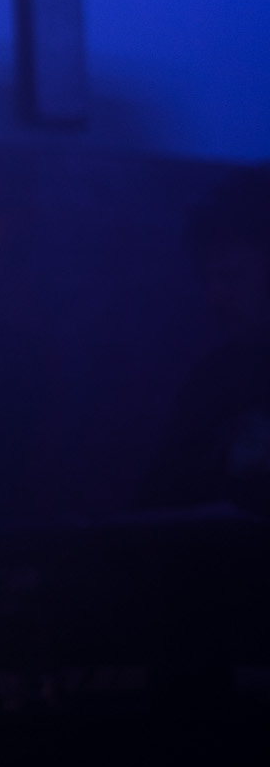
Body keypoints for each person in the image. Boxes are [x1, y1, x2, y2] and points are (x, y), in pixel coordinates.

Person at [137, 165, 270, 515]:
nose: (215, 297)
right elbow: (157, 512)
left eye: (232, 276)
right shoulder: (216, 377)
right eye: (207, 279)